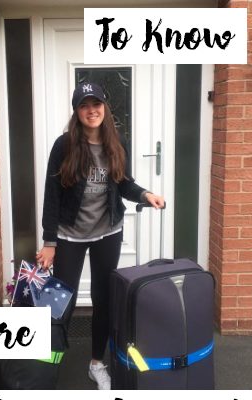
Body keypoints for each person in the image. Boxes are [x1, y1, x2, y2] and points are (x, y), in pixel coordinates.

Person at [36, 82, 165, 390]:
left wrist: (145, 194)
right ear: (76, 111)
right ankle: (46, 365)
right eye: (84, 105)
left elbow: (123, 182)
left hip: (108, 232)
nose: (91, 110)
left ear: (104, 107)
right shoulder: (64, 145)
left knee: (103, 299)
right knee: (59, 301)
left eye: (96, 104)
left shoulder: (117, 141)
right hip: (69, 234)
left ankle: (96, 363)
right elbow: (52, 194)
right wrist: (50, 242)